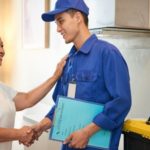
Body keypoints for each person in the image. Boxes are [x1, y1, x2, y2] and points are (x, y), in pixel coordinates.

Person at [31, 0, 132, 150]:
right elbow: (62, 105)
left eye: (61, 21)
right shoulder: (68, 61)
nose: (58, 29)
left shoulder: (108, 54)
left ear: (78, 17)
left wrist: (86, 132)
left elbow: (121, 102)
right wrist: (42, 124)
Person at [0, 37, 67, 150]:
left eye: (2, 45)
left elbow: (27, 99)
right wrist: (19, 133)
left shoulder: (2, 88)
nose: (2, 51)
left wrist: (55, 77)